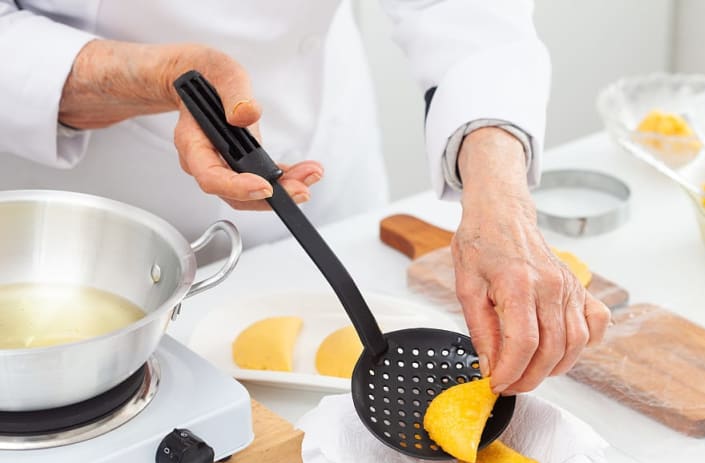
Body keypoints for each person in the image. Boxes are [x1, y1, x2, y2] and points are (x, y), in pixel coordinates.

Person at [0, 1, 610, 395]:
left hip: (326, 160)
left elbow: (465, 15)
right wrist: (153, 79)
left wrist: (500, 201)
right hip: (77, 243)